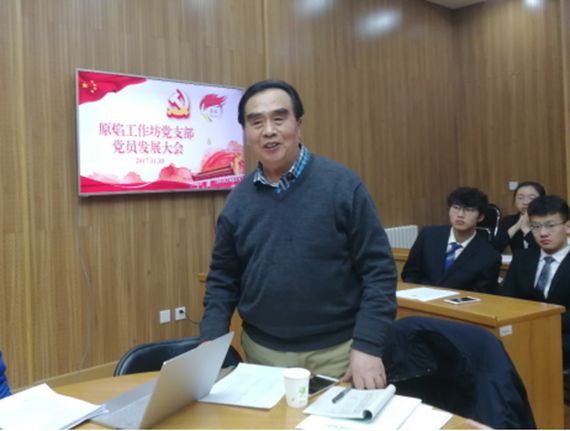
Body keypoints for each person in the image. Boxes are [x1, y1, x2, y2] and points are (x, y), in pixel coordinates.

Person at [199, 80, 397, 389]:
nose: (268, 131)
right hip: (263, 354)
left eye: (279, 118)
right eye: (256, 122)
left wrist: (369, 345)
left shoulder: (343, 186)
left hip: (340, 354)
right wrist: (210, 342)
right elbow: (223, 278)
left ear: (298, 125)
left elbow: (379, 271)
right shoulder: (238, 201)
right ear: (246, 133)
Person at [502, 195, 570, 367]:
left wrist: (539, 325)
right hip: (523, 332)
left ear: (567, 226)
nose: (543, 233)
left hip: (564, 337)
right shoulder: (522, 258)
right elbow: (507, 299)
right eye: (535, 227)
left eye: (550, 226)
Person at [401, 187, 501, 294]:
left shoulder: (489, 256)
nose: (460, 215)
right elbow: (410, 274)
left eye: (468, 210)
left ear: (480, 217)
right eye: (456, 207)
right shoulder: (428, 235)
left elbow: (482, 295)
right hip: (420, 299)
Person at [491, 181, 545, 254]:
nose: (525, 202)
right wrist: (517, 226)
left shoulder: (548, 221)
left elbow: (544, 249)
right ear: (514, 200)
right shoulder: (509, 220)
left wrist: (525, 228)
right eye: (520, 198)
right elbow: (493, 249)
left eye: (531, 198)